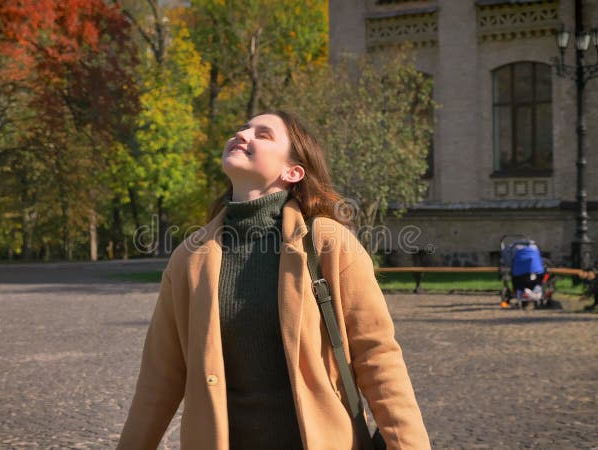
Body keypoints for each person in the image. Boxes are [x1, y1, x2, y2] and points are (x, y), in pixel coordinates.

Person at [117, 111, 431, 449]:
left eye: (263, 134)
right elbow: (158, 380)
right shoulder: (189, 259)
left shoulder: (328, 243)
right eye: (242, 128)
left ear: (292, 171)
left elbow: (378, 359)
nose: (242, 134)